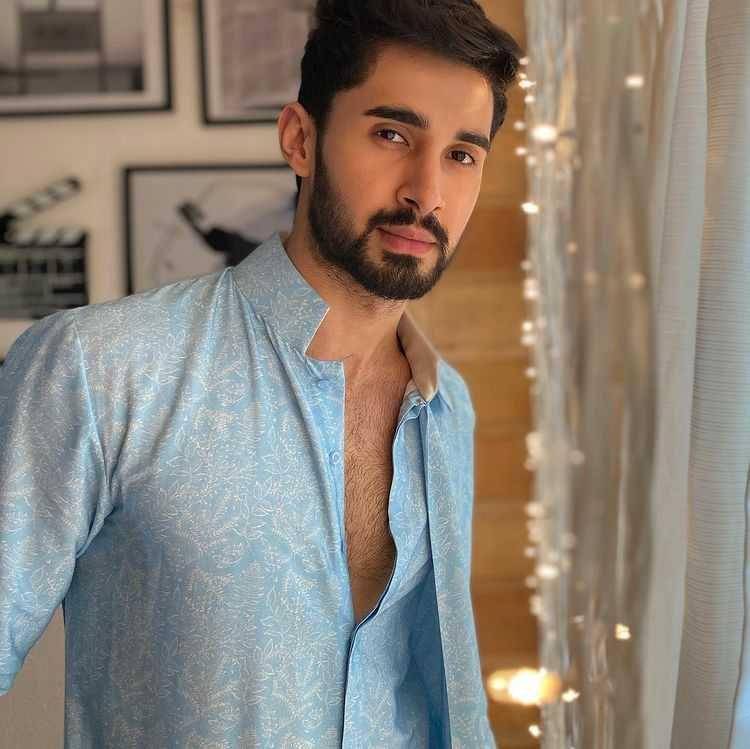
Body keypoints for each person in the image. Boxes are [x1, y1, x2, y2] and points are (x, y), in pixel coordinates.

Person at [0, 0, 521, 745]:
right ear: (300, 140)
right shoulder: (101, 369)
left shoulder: (447, 405)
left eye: (462, 154)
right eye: (392, 134)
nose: (426, 192)